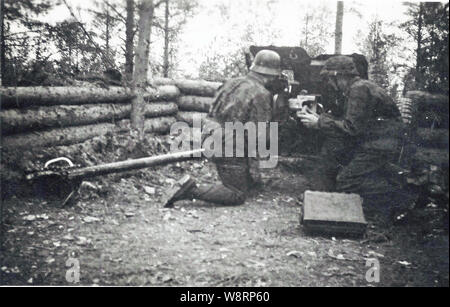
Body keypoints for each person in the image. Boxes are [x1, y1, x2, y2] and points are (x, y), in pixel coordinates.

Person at [162, 49, 286, 207]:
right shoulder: (261, 93)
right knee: (236, 194)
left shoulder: (231, 82)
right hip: (229, 144)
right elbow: (258, 135)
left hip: (210, 135)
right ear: (271, 74)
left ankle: (244, 179)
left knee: (245, 176)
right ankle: (191, 190)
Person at [297, 55, 415, 217]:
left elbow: (351, 128)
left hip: (380, 145)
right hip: (375, 141)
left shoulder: (358, 90)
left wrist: (318, 123)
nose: (330, 85)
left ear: (338, 76)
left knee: (347, 182)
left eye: (330, 79)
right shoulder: (358, 88)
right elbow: (350, 122)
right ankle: (398, 180)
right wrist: (320, 117)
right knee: (343, 165)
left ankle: (405, 194)